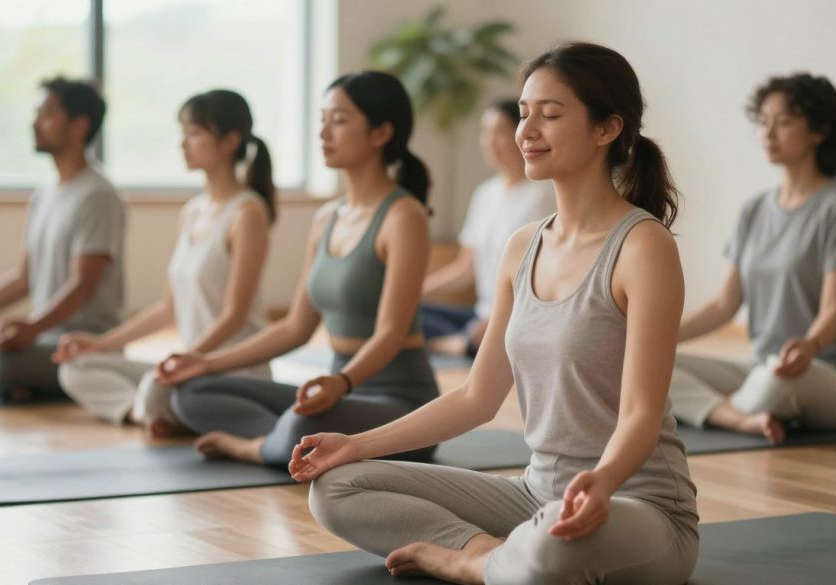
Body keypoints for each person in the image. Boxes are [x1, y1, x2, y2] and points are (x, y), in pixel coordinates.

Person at [291, 43, 699, 585]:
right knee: (337, 487)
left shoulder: (643, 247)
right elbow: (475, 397)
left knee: (553, 541)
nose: (526, 130)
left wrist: (600, 482)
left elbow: (641, 414)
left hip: (637, 505)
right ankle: (488, 555)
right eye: (525, 113)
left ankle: (476, 561)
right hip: (533, 495)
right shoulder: (522, 246)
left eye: (550, 115)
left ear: (607, 129)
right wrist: (355, 444)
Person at [156, 71, 439, 466]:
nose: (324, 132)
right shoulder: (327, 217)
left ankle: (254, 446)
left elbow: (391, 332)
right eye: (322, 120)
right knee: (192, 392)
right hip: (336, 393)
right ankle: (291, 440)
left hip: (399, 404)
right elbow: (295, 328)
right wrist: (205, 362)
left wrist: (342, 382)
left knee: (297, 424)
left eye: (338, 121)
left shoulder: (403, 216)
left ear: (380, 133)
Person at [54, 89, 274, 433]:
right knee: (76, 368)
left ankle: (158, 410)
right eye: (183, 133)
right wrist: (102, 343)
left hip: (229, 369)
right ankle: (145, 413)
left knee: (157, 388)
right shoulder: (192, 212)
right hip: (191, 366)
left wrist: (190, 359)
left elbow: (236, 315)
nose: (183, 144)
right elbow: (168, 309)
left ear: (230, 141)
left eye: (195, 133)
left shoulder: (247, 213)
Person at [669, 73, 836, 444]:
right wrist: (656, 339)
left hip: (826, 373)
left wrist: (809, 345)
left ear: (819, 130)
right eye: (763, 122)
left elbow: (835, 309)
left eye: (784, 122)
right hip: (757, 367)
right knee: (645, 367)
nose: (768, 132)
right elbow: (724, 304)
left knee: (774, 379)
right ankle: (740, 417)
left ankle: (723, 410)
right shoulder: (754, 209)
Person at [0, 77, 125, 401]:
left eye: (46, 114)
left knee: (4, 363)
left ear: (79, 125)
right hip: (40, 334)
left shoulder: (98, 195)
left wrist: (33, 328)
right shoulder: (44, 195)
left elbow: (82, 286)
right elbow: (24, 278)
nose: (35, 123)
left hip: (80, 342)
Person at [422, 99, 555, 357]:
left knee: (485, 333)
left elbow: (542, 278)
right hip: (480, 314)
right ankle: (462, 343)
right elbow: (464, 270)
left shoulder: (543, 195)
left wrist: (500, 319)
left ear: (519, 134)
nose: (490, 141)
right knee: (408, 314)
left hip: (515, 317)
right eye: (485, 133)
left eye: (500, 132)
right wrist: (412, 294)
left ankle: (463, 344)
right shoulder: (485, 194)